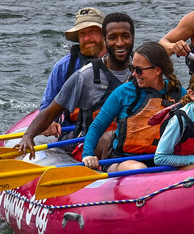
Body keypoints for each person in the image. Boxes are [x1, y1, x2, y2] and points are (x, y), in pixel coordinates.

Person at [18, 13, 135, 156]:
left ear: (133, 37)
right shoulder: (83, 74)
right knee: (111, 137)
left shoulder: (145, 69)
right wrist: (28, 136)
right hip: (93, 145)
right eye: (113, 37)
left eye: (125, 36)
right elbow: (49, 111)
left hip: (133, 141)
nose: (120, 42)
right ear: (105, 39)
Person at [81, 42, 184, 172]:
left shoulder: (178, 93)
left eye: (139, 70)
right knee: (139, 168)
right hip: (123, 160)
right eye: (132, 68)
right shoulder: (123, 92)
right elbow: (97, 127)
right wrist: (87, 155)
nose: (134, 74)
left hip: (164, 160)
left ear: (157, 70)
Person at [38, 7, 106, 111]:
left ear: (104, 34)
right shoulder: (63, 67)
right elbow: (47, 105)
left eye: (92, 31)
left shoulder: (121, 61)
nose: (87, 38)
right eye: (82, 33)